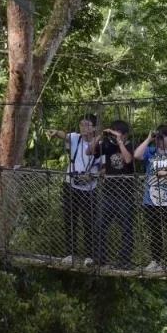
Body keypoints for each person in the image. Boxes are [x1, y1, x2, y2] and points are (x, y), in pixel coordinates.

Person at [46, 114, 102, 266]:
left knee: (89, 222)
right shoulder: (75, 138)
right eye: (81, 124)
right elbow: (63, 135)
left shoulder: (99, 144)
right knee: (70, 220)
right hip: (70, 185)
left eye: (87, 125)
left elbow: (102, 167)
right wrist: (54, 132)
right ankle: (70, 253)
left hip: (89, 188)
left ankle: (89, 256)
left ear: (94, 128)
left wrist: (91, 176)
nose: (84, 128)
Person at [134, 125, 167, 273]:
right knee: (155, 231)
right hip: (151, 199)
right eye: (158, 138)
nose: (159, 141)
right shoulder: (151, 151)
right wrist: (149, 139)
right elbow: (136, 155)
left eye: (162, 137)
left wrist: (166, 173)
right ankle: (155, 261)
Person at [86, 120, 135, 268]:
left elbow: (128, 159)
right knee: (99, 227)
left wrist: (120, 142)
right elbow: (89, 152)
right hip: (108, 193)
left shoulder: (130, 145)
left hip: (125, 195)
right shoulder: (108, 145)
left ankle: (124, 261)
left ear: (125, 135)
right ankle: (99, 258)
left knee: (126, 229)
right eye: (113, 133)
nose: (114, 136)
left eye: (118, 133)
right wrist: (100, 136)